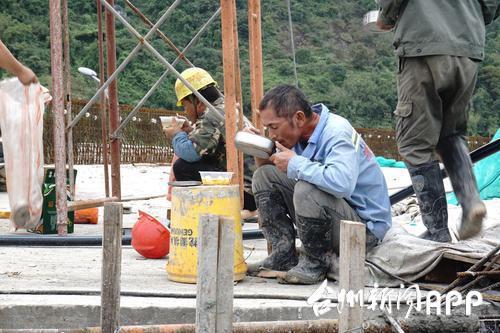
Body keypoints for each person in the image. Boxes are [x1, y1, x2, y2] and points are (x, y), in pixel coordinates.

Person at [377, 1, 499, 242]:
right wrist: (469, 17)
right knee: (450, 134)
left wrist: (386, 16)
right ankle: (471, 201)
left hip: (424, 44)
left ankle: (437, 232)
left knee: (414, 143)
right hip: (468, 46)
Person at [247, 85, 392, 284]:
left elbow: (342, 184)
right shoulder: (297, 135)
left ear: (298, 118)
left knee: (307, 188)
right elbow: (270, 174)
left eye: (273, 126)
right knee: (264, 176)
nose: (271, 134)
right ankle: (283, 256)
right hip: (336, 217)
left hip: (363, 231)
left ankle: (315, 262)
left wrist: (296, 164)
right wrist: (259, 149)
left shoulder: (336, 132)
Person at [164, 67, 257, 216]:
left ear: (197, 101)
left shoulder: (210, 114)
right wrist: (189, 132)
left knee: (182, 166)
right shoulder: (225, 107)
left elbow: (191, 153)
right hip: (254, 190)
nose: (186, 111)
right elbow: (212, 143)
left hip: (244, 193)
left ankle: (203, 211)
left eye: (186, 105)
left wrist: (177, 134)